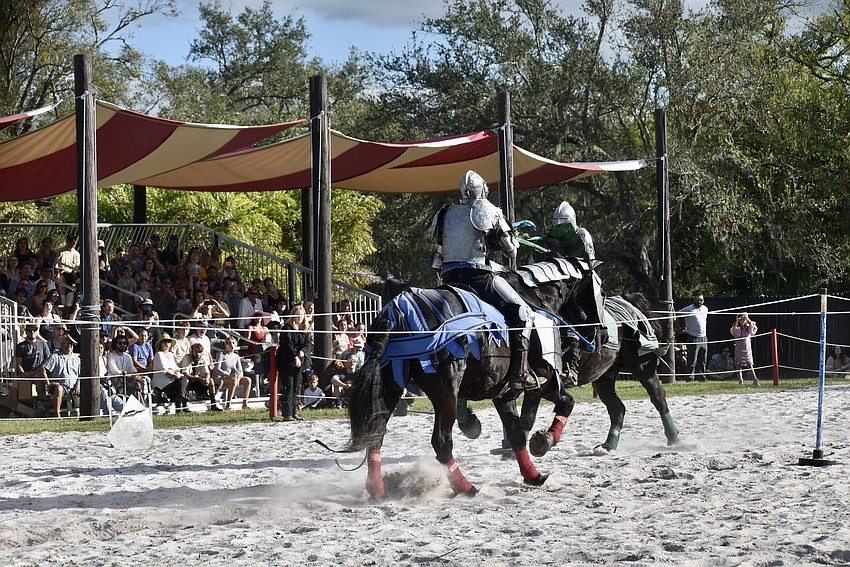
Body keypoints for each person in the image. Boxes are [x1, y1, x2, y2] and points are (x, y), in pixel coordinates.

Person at [431, 169, 541, 391]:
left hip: (448, 277)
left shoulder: (445, 213)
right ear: (482, 189)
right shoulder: (488, 210)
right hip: (479, 278)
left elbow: (436, 260)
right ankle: (519, 373)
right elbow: (510, 251)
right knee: (523, 313)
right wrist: (506, 236)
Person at [275, 304, 311, 421]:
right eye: (297, 315)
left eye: (301, 315)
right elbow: (287, 344)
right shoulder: (287, 328)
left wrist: (302, 352)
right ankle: (287, 414)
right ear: (293, 316)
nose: (299, 317)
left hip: (300, 360)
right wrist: (295, 356)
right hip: (286, 360)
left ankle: (294, 412)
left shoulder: (305, 329)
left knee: (296, 386)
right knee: (288, 386)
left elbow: (307, 344)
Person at [10, 323, 51, 416]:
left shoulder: (43, 344)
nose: (32, 332)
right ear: (26, 332)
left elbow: (48, 360)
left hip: (39, 371)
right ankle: (13, 412)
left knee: (38, 377)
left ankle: (40, 401)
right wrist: (22, 373)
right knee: (13, 388)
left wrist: (40, 370)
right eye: (29, 330)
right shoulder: (21, 346)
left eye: (34, 330)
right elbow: (19, 363)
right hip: (26, 373)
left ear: (37, 331)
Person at [37, 334, 80, 418]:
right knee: (59, 388)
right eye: (67, 343)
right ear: (61, 344)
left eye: (71, 344)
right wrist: (48, 383)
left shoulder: (77, 359)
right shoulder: (55, 356)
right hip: (59, 385)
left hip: (74, 386)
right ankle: (57, 414)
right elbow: (43, 369)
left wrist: (78, 385)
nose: (69, 345)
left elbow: (80, 374)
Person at [152, 333, 189, 412]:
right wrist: (175, 374)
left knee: (183, 379)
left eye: (168, 342)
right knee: (180, 383)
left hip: (172, 379)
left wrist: (177, 373)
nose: (167, 343)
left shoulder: (172, 355)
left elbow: (177, 368)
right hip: (162, 383)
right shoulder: (158, 354)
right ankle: (180, 405)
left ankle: (180, 404)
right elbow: (164, 370)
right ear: (161, 344)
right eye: (164, 342)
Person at [179, 342, 221, 411]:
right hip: (189, 380)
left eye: (200, 352)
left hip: (199, 380)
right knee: (185, 380)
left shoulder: (203, 358)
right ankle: (184, 406)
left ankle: (213, 404)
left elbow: (207, 372)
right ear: (191, 351)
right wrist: (199, 379)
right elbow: (185, 374)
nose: (198, 354)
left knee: (211, 380)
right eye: (196, 351)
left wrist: (206, 379)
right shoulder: (186, 358)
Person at [678, 292, 709, 382]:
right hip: (693, 337)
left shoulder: (705, 309)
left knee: (703, 359)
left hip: (704, 337)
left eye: (701, 300)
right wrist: (678, 328)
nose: (699, 302)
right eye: (697, 300)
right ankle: (690, 377)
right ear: (693, 300)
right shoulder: (688, 309)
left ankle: (702, 376)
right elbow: (676, 314)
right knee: (692, 359)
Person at [216, 336, 250, 410]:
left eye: (233, 343)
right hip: (222, 377)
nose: (231, 345)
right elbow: (217, 369)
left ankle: (245, 404)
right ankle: (228, 404)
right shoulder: (221, 354)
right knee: (233, 381)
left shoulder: (236, 356)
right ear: (226, 345)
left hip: (234, 377)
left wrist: (238, 378)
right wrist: (228, 375)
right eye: (229, 343)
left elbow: (240, 371)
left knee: (247, 380)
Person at [731, 312, 759, 386]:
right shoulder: (736, 327)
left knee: (749, 364)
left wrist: (747, 319)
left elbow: (753, 331)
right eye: (741, 320)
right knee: (738, 365)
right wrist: (737, 321)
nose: (742, 321)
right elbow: (737, 334)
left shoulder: (748, 327)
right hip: (739, 348)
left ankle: (755, 380)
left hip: (747, 348)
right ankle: (740, 381)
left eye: (744, 320)